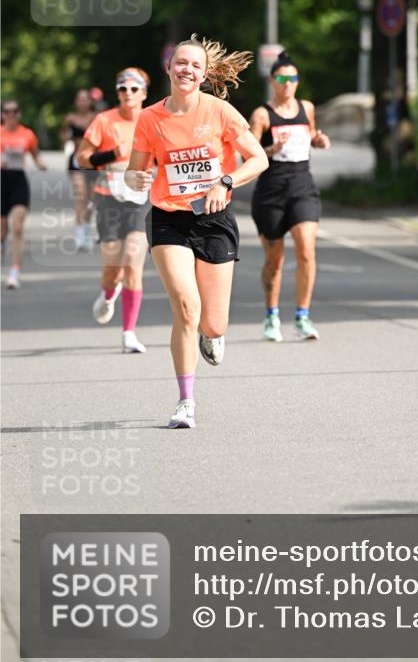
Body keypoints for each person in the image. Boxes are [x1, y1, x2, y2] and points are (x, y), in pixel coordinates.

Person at [125, 35, 268, 429]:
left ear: (204, 75)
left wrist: (225, 181)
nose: (186, 69)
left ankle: (212, 334)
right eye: (180, 62)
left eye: (194, 65)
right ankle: (185, 401)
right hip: (169, 218)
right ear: (168, 67)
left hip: (214, 219)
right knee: (186, 306)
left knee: (213, 322)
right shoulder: (151, 118)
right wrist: (135, 179)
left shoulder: (220, 112)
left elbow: (258, 159)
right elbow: (135, 169)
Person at [249, 51, 330, 343]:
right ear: (272, 81)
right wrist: (271, 149)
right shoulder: (261, 114)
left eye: (293, 78)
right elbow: (249, 153)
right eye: (282, 78)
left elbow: (309, 137)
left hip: (302, 186)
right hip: (271, 191)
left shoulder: (306, 108)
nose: (288, 84)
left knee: (307, 251)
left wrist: (318, 141)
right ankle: (271, 315)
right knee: (275, 261)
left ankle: (302, 316)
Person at [77, 69, 151, 354]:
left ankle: (129, 333)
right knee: (112, 271)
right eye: (123, 89)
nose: (128, 93)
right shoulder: (104, 120)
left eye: (134, 89)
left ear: (144, 93)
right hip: (108, 199)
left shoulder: (155, 120)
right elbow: (82, 158)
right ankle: (109, 293)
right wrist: (111, 154)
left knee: (133, 261)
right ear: (117, 93)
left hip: (140, 200)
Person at [1, 100, 48, 288]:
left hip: (19, 181)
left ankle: (14, 272)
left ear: (19, 113)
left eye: (15, 111)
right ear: (2, 114)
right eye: (7, 111)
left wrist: (40, 164)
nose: (11, 115)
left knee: (18, 227)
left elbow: (36, 154)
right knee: (2, 232)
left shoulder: (27, 134)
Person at [60, 88, 97, 250]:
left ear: (90, 102)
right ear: (76, 102)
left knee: (91, 199)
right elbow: (62, 135)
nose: (82, 102)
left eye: (85, 99)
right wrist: (67, 138)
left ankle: (87, 229)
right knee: (80, 195)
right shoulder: (70, 118)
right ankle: (79, 233)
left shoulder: (97, 118)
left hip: (92, 160)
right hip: (75, 160)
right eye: (80, 99)